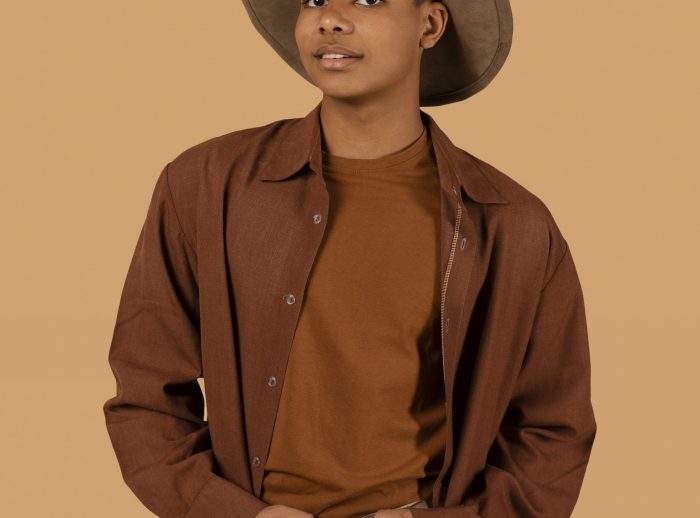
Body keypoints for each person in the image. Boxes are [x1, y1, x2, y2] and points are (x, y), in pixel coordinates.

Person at [103, 1, 597, 517]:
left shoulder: (511, 224)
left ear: (430, 25)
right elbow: (145, 393)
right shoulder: (206, 184)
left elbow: (553, 432)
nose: (330, 19)